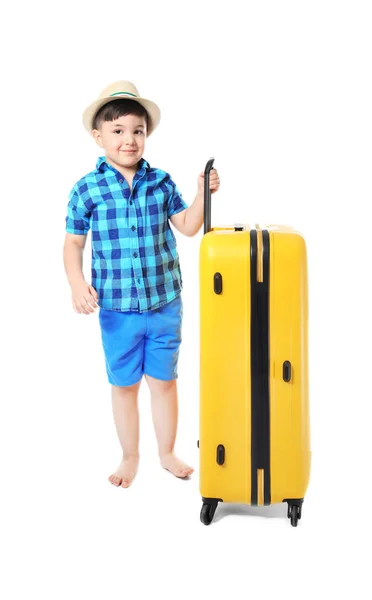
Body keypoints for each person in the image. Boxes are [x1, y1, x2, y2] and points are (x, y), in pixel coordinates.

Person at [63, 80, 220, 488]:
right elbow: (73, 244)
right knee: (125, 386)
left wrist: (203, 194)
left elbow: (187, 226)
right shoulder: (87, 189)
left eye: (138, 131)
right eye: (118, 131)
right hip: (116, 310)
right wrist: (77, 283)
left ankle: (167, 452)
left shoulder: (161, 182)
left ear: (146, 135)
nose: (129, 140)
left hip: (165, 303)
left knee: (164, 382)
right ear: (99, 137)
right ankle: (130, 456)